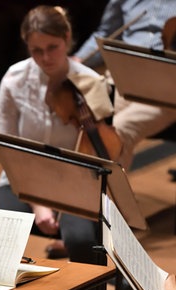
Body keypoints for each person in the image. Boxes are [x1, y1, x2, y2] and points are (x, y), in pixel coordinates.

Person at [0, 5, 114, 290]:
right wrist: (38, 203)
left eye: (53, 48)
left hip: (75, 181)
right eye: (37, 51)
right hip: (23, 178)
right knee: (0, 231)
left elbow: (102, 154)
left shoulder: (89, 81)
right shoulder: (13, 80)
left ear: (68, 39)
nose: (46, 58)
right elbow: (10, 151)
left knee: (81, 237)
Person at [73, 0, 176, 169]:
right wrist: (77, 61)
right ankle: (80, 190)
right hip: (122, 78)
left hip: (165, 89)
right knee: (85, 121)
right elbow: (106, 33)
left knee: (118, 130)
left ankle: (110, 194)